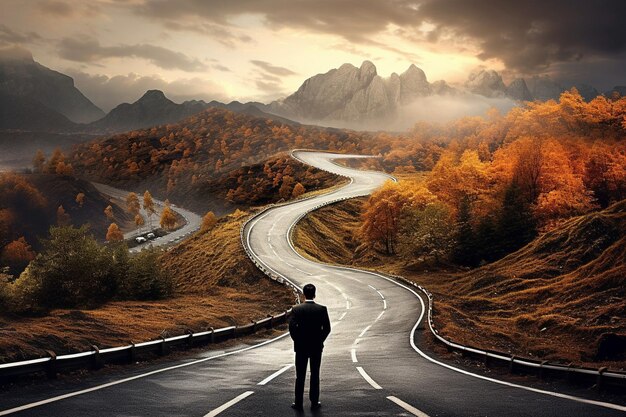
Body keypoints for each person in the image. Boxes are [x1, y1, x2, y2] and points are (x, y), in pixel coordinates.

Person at [288, 283, 331, 411]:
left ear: (303, 294)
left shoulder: (296, 309)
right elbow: (327, 329)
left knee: (300, 375)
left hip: (301, 347)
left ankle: (298, 402)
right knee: (315, 373)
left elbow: (292, 328)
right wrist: (319, 340)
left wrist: (298, 340)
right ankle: (314, 401)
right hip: (316, 347)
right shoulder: (322, 309)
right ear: (315, 294)